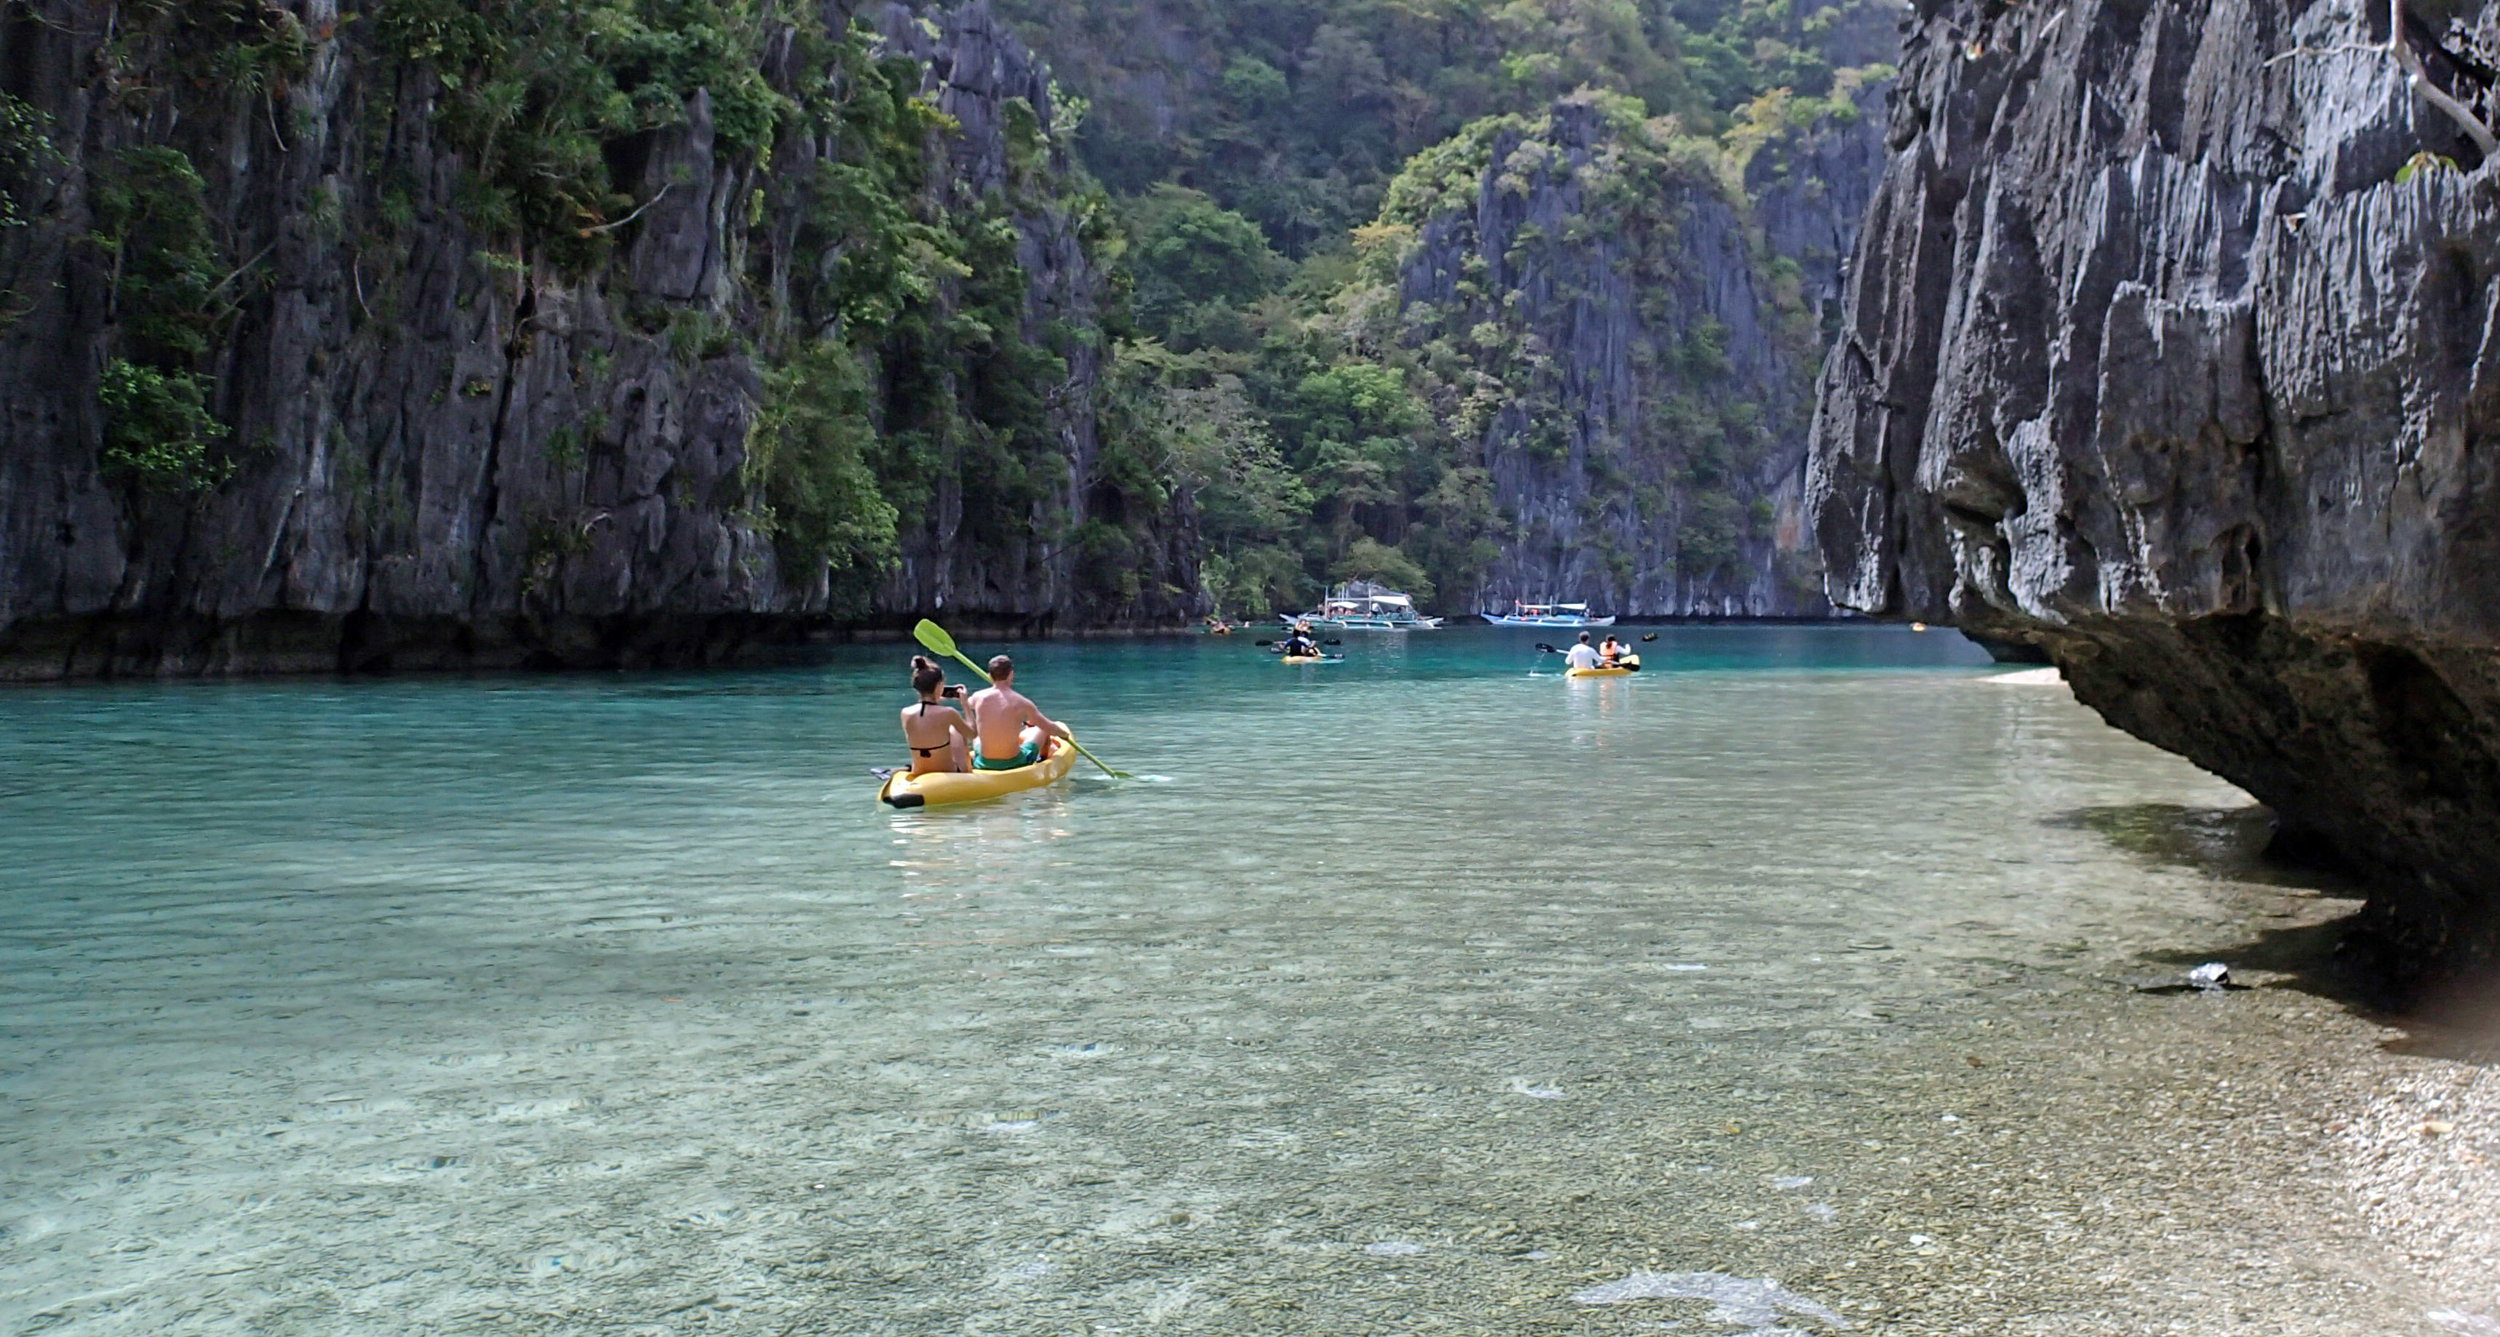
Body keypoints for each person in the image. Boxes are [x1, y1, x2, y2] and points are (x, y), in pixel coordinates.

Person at [967, 654, 1071, 770]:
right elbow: (1049, 727)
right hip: (1014, 763)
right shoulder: (1022, 703)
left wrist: (957, 695)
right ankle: (1042, 761)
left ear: (989, 676)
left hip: (983, 761)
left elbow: (967, 703)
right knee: (1041, 729)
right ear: (1011, 674)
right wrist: (1065, 735)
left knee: (976, 734)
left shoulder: (978, 697)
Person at [899, 655, 976, 776]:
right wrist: (965, 705)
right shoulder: (948, 713)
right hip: (948, 771)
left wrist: (935, 700)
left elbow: (927, 724)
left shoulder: (905, 713)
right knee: (955, 731)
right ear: (939, 685)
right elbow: (973, 734)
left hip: (919, 772)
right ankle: (968, 773)